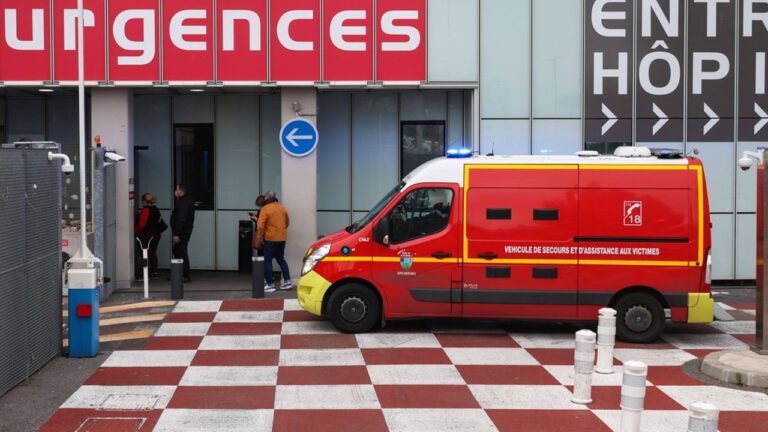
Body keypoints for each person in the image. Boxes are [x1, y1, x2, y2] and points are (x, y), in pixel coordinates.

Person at [256, 191, 292, 293]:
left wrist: (260, 236)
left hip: (270, 239)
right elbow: (287, 223)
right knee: (281, 260)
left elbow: (260, 225)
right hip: (282, 238)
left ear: (266, 198)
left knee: (267, 261)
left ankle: (270, 284)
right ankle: (287, 282)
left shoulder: (265, 209)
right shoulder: (282, 208)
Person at [134, 193, 165, 280]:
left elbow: (141, 225)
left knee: (144, 254)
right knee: (152, 253)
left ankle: (144, 274)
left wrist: (135, 231)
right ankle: (154, 272)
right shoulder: (156, 209)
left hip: (146, 235)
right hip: (156, 234)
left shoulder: (146, 210)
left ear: (144, 201)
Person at [171, 184, 195, 282]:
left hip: (182, 232)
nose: (175, 191)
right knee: (177, 251)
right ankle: (178, 274)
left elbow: (181, 219)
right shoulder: (183, 200)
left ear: (181, 191)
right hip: (183, 231)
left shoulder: (184, 202)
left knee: (181, 252)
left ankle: (185, 275)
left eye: (176, 189)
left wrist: (176, 233)